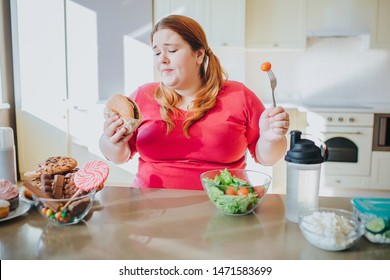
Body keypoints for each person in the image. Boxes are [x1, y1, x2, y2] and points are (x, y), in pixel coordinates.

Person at [99, 15, 290, 190]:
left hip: (224, 204)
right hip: (150, 209)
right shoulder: (143, 96)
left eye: (171, 50)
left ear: (198, 54)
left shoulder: (239, 95)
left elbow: (266, 158)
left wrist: (271, 139)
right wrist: (110, 141)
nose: (162, 60)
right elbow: (119, 156)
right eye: (157, 53)